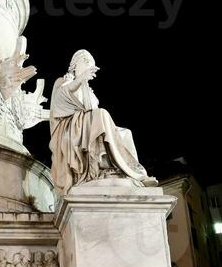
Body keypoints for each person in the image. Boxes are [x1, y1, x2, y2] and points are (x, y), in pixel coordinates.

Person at [48, 50, 155, 197]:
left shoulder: (87, 89)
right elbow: (60, 103)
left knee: (125, 133)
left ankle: (133, 173)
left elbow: (90, 109)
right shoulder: (63, 81)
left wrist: (84, 83)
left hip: (88, 124)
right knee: (102, 114)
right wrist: (80, 80)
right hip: (71, 128)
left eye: (90, 66)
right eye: (85, 63)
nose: (87, 68)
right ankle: (102, 166)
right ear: (75, 65)